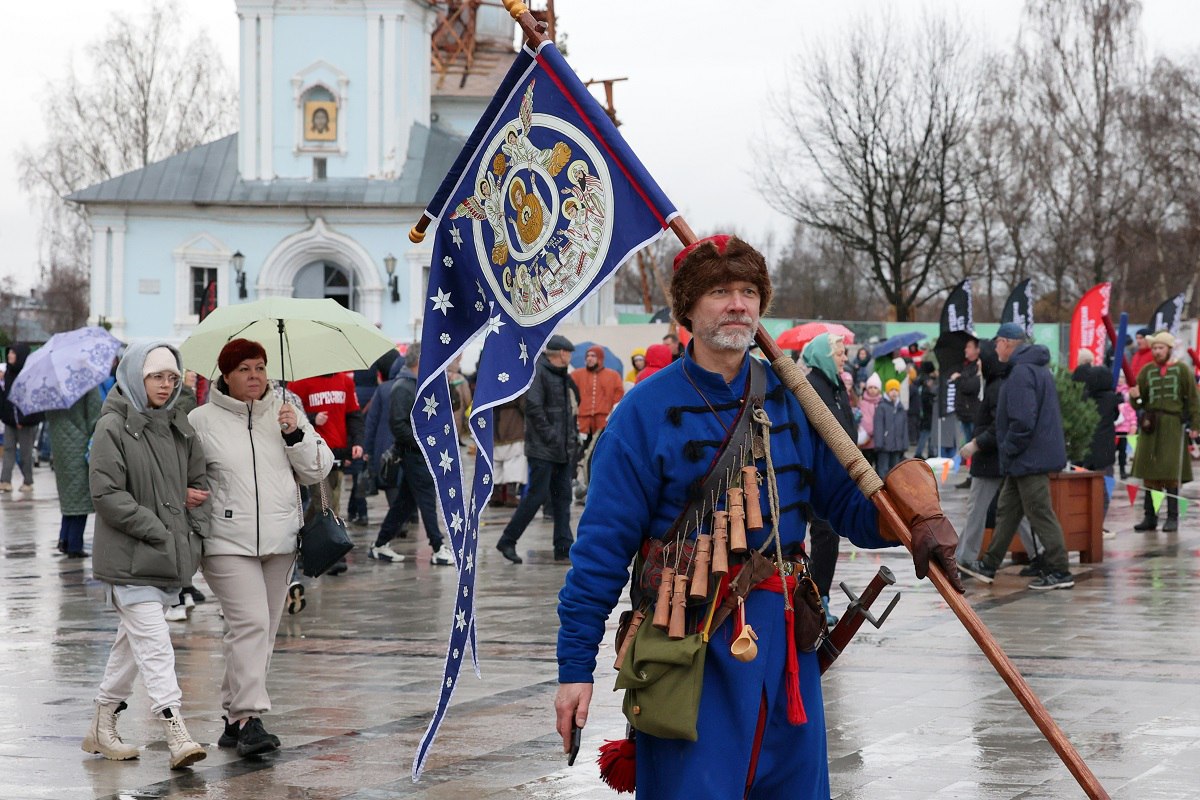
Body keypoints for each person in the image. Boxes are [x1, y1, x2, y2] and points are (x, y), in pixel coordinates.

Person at [554, 235, 961, 799]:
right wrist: (575, 667)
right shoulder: (643, 413)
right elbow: (598, 554)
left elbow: (846, 506)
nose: (738, 304)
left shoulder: (794, 399)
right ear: (688, 309)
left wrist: (912, 521)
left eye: (749, 291)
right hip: (688, 642)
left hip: (785, 641)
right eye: (720, 291)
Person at [188, 338, 334, 756]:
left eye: (260, 367)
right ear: (226, 375)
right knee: (250, 624)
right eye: (245, 369)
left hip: (281, 539)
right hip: (225, 541)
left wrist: (297, 433)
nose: (255, 376)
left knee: (261, 630)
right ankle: (250, 718)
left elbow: (318, 471)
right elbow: (186, 474)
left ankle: (234, 717)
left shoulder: (286, 409)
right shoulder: (201, 420)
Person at [85, 343, 209, 769]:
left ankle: (102, 722)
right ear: (137, 375)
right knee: (156, 646)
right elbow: (106, 494)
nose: (166, 384)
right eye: (157, 376)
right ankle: (176, 732)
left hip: (167, 556)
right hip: (129, 556)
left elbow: (199, 482)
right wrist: (158, 527)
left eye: (172, 377)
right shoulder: (112, 427)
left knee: (131, 647)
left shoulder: (179, 425)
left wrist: (193, 525)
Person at [959, 323, 1074, 590]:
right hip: (1023, 458)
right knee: (1007, 511)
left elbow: (1022, 422)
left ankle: (1059, 570)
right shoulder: (1033, 369)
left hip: (1029, 458)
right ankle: (988, 565)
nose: (995, 347)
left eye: (998, 342)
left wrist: (1008, 447)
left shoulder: (1022, 373)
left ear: (1008, 343)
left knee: (1039, 512)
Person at [496, 334, 579, 563]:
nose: (570, 357)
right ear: (562, 354)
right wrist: (552, 437)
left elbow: (567, 411)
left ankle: (563, 546)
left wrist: (569, 440)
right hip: (543, 450)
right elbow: (534, 408)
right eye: (569, 353)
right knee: (537, 497)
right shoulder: (538, 372)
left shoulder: (562, 376)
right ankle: (508, 540)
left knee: (563, 498)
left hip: (561, 449)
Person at [371, 343, 455, 566]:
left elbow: (451, 403)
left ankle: (380, 544)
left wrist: (445, 380)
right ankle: (438, 547)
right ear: (420, 361)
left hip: (420, 452)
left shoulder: (421, 385)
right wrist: (424, 444)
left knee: (404, 503)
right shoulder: (403, 387)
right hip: (414, 453)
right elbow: (398, 425)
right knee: (426, 499)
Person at [956, 340, 1037, 565]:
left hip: (990, 458)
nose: (979, 365)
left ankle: (964, 559)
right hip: (1001, 457)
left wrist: (976, 444)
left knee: (977, 510)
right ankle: (1040, 555)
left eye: (982, 361)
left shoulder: (995, 387)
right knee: (1016, 512)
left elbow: (997, 426)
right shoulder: (995, 384)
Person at [800, 333, 855, 626]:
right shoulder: (813, 386)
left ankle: (819, 595)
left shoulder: (835, 386)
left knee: (828, 537)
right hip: (815, 476)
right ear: (823, 356)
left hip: (833, 474)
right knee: (823, 535)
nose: (844, 358)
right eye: (839, 353)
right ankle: (813, 596)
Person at [289, 368, 364, 574]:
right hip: (314, 455)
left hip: (338, 453)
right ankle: (333, 554)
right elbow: (292, 418)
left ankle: (303, 543)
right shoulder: (301, 383)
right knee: (327, 504)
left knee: (323, 505)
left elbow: (353, 415)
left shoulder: (345, 382)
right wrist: (313, 418)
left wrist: (357, 442)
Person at [1129, 331, 1200, 532]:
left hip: (1172, 423)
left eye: (1161, 348)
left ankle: (1172, 517)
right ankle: (1150, 517)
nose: (1157, 352)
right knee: (1149, 472)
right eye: (1154, 348)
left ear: (1169, 349)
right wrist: (1135, 397)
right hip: (1150, 424)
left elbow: (1193, 399)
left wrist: (1196, 424)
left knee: (1171, 472)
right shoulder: (1146, 371)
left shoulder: (1182, 370)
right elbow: (1139, 402)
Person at [46, 387, 103, 557]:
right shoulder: (86, 385)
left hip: (59, 445)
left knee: (69, 496)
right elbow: (95, 417)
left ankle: (65, 539)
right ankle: (74, 545)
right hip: (79, 445)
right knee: (80, 496)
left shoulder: (50, 388)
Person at [571, 345, 624, 490]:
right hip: (581, 422)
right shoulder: (576, 375)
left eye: (593, 356)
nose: (589, 359)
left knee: (595, 455)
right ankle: (576, 484)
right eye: (588, 356)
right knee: (576, 455)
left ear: (600, 359)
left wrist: (611, 416)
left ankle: (592, 486)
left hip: (602, 422)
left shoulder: (613, 376)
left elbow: (619, 397)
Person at [1, 344, 44, 493]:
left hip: (25, 422)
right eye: (9, 352)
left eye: (12, 352)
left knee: (26, 453)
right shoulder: (7, 373)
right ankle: (5, 481)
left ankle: (28, 481)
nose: (9, 355)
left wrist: (21, 419)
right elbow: (6, 398)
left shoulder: (28, 374)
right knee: (8, 450)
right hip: (9, 421)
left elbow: (30, 400)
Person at [950, 336, 981, 489]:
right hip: (964, 413)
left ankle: (974, 476)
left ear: (977, 349)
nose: (966, 350)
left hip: (973, 413)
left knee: (974, 445)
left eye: (969, 347)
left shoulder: (979, 366)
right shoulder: (966, 366)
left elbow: (971, 386)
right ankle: (971, 475)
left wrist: (959, 379)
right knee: (968, 446)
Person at [874, 378, 909, 477]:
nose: (894, 392)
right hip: (885, 445)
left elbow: (904, 427)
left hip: (897, 445)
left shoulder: (900, 407)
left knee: (896, 470)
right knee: (883, 469)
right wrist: (879, 443)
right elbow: (878, 426)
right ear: (887, 391)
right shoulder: (882, 406)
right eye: (892, 390)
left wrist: (904, 444)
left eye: (896, 390)